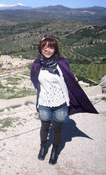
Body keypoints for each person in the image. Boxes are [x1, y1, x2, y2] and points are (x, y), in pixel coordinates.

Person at [30, 35, 98, 165]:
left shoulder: (61, 63)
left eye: (51, 47)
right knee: (44, 127)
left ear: (55, 49)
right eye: (44, 47)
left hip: (60, 103)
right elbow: (34, 80)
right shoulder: (37, 64)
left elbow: (70, 81)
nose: (47, 50)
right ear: (40, 48)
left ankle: (55, 150)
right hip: (44, 103)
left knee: (57, 129)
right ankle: (43, 147)